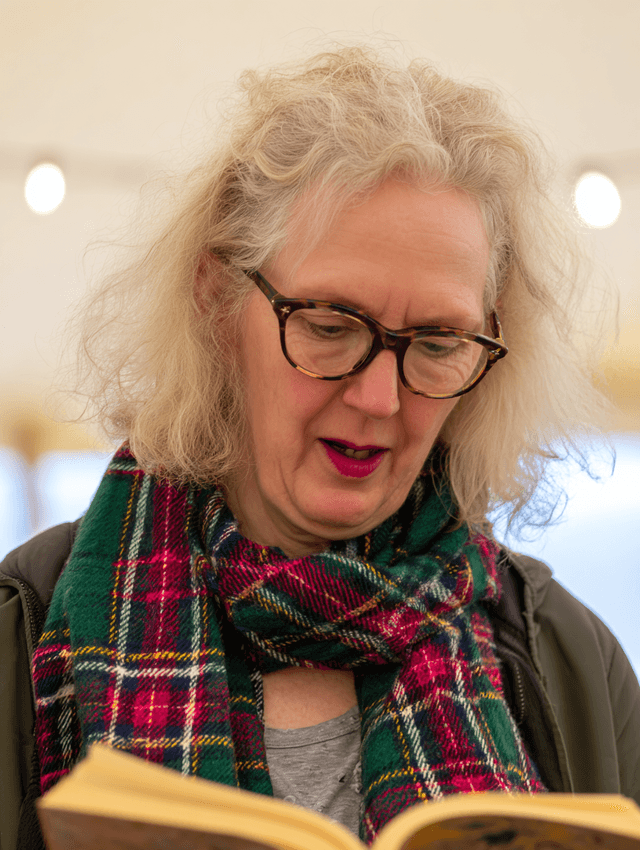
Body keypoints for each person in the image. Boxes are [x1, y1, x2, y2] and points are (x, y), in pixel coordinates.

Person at [2, 44, 639, 850]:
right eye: (331, 326)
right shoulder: (18, 635)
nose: (379, 399)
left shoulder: (568, 659)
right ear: (215, 299)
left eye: (439, 342)